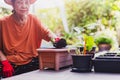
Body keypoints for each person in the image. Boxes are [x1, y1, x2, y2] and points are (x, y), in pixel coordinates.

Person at [0, 0, 67, 78]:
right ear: (13, 5)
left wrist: (57, 40)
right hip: (11, 64)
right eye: (19, 2)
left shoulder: (33, 19)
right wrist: (4, 62)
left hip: (32, 62)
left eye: (26, 2)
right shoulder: (3, 22)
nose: (24, 6)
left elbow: (47, 33)